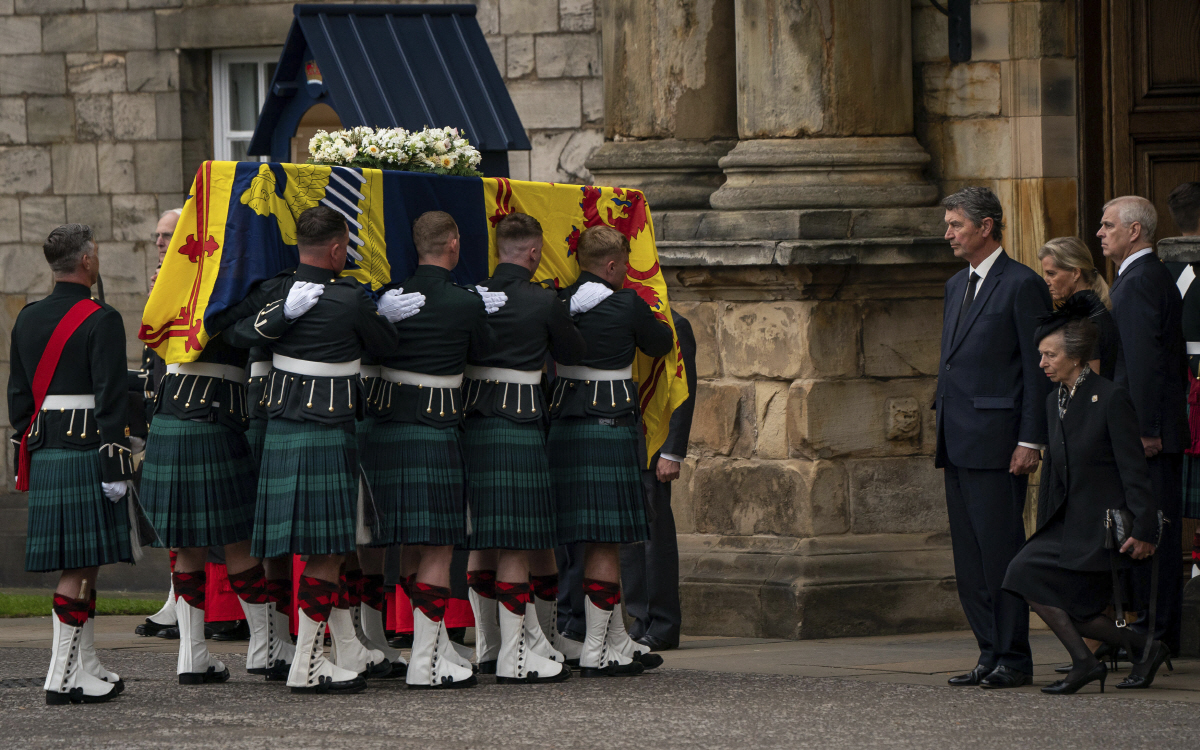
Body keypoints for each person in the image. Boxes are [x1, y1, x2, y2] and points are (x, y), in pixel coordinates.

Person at [223, 205, 423, 694]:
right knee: (329, 551)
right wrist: (382, 315)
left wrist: (279, 314)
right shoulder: (351, 299)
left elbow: (233, 332)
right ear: (337, 250)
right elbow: (386, 346)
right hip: (329, 434)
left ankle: (338, 649)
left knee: (314, 549)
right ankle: (309, 664)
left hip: (283, 432)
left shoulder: (277, 292)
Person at [363, 210, 506, 689]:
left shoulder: (389, 298)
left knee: (407, 540)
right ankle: (425, 662)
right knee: (440, 544)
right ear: (454, 243)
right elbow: (485, 354)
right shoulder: (465, 303)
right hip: (436, 428)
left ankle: (436, 646)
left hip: (386, 430)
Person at [1003, 299, 1171, 693]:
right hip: (1066, 522)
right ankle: (1132, 650)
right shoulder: (1053, 400)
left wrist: (1145, 528)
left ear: (1075, 356)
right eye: (1040, 354)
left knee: (1064, 600)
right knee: (1026, 577)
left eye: (1050, 355)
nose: (1042, 362)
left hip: (1101, 525)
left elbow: (1134, 470)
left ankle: (1103, 658)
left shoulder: (1111, 398)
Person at [9, 224, 135, 704]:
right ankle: (61, 676)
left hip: (46, 451)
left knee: (85, 566)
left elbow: (18, 397)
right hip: (87, 451)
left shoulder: (27, 317)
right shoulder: (101, 318)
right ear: (86, 261)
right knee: (79, 567)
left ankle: (85, 663)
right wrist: (116, 463)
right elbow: (110, 397)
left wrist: (33, 443)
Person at [460, 212, 587, 682]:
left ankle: (489, 647)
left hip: (472, 422)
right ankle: (516, 652)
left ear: (499, 250)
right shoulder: (543, 299)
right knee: (515, 535)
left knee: (483, 533)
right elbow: (573, 354)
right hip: (520, 421)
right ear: (534, 253)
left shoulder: (472, 296)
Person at [935, 186, 1052, 690]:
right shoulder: (955, 285)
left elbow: (1036, 370)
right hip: (956, 439)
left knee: (1001, 552)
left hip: (999, 442)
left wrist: (1031, 440)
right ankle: (987, 652)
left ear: (987, 227)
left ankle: (1014, 657)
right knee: (970, 559)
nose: (948, 234)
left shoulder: (1023, 284)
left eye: (956, 224)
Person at [547, 224, 674, 677]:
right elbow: (661, 344)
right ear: (614, 265)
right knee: (605, 538)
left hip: (562, 424)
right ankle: (598, 648)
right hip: (609, 424)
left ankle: (616, 637)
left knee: (570, 532)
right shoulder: (625, 303)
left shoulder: (557, 301)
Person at [1100, 195, 1188, 656]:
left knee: (1152, 535)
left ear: (1135, 231)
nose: (1100, 233)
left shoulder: (1137, 282)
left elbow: (1144, 363)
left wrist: (1147, 429)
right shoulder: (1143, 276)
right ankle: (1146, 633)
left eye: (1108, 224)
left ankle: (1155, 636)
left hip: (1148, 435)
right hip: (1149, 429)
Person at [620, 309, 696, 652]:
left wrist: (672, 451)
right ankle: (639, 619)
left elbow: (682, 390)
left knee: (655, 540)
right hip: (624, 442)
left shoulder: (674, 324)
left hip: (655, 443)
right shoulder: (622, 315)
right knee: (629, 543)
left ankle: (663, 623)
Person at [1037, 237, 1123, 381]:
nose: (1046, 281)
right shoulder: (1088, 311)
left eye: (1051, 274)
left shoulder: (1086, 318)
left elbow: (1090, 383)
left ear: (1076, 273)